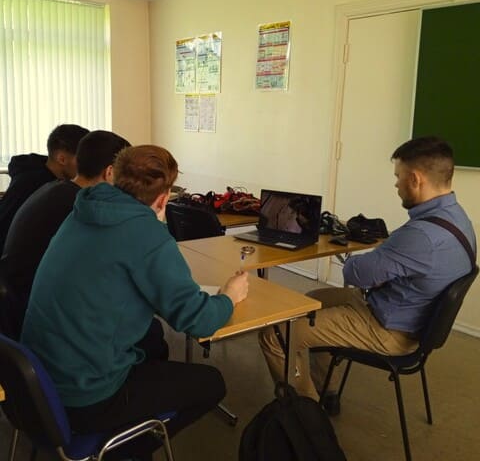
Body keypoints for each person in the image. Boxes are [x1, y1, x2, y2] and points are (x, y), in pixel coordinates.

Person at [21, 145, 249, 460]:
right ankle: (121, 450)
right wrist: (229, 296)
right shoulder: (147, 235)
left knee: (153, 343)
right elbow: (198, 321)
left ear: (113, 176)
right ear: (164, 199)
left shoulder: (82, 212)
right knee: (211, 383)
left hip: (39, 382)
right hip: (85, 396)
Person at [259, 136, 476, 414]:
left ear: (415, 179)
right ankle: (327, 391)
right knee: (312, 301)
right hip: (409, 313)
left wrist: (374, 259)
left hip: (390, 328)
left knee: (276, 334)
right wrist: (386, 261)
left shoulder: (421, 235)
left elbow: (357, 274)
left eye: (398, 177)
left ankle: (307, 416)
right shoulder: (458, 219)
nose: (396, 185)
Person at [0, 130, 130, 340]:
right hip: (33, 309)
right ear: (109, 172)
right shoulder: (79, 206)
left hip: (16, 299)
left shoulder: (55, 189)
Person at [0, 123, 89, 253]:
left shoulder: (40, 177)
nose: (88, 165)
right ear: (62, 159)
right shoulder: (37, 186)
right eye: (83, 159)